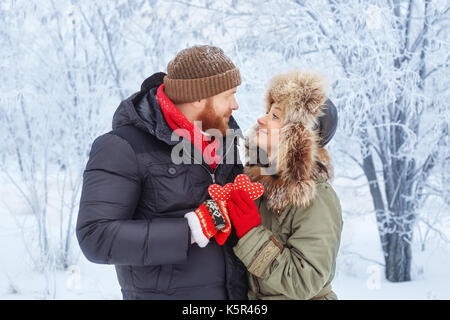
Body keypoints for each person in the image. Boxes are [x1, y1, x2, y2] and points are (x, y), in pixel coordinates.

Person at [76, 45, 248, 300]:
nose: (235, 105)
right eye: (228, 95)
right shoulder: (123, 147)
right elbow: (95, 236)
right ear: (198, 97)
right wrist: (188, 230)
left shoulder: (224, 137)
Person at [226, 69, 343, 300]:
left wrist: (250, 233)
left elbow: (304, 280)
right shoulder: (254, 184)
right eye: (267, 111)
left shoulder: (316, 197)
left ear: (296, 136)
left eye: (275, 116)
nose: (261, 119)